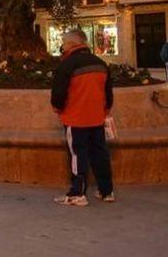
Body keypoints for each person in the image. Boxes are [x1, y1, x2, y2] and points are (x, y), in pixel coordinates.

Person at [51, 29, 115, 206]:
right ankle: (106, 191)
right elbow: (108, 93)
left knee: (77, 155)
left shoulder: (67, 65)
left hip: (75, 118)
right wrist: (105, 110)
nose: (62, 46)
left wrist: (58, 109)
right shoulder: (101, 63)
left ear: (71, 44)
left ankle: (77, 193)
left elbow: (58, 93)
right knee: (100, 153)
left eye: (64, 43)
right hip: (96, 117)